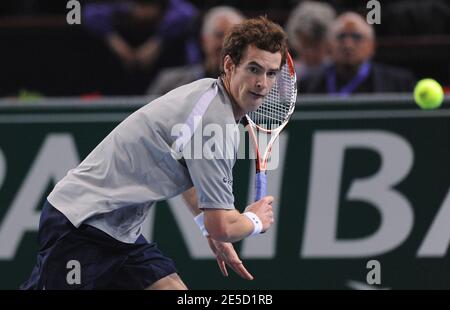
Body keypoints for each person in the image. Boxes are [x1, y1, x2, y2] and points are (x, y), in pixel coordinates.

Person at [21, 16, 287, 290]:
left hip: (118, 230)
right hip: (81, 225)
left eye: (271, 73)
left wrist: (209, 226)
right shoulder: (214, 123)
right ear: (230, 65)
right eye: (254, 69)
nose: (262, 83)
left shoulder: (206, 94)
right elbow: (223, 225)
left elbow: (187, 172)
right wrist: (255, 220)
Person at [302, 12, 415, 95]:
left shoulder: (400, 84)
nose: (348, 45)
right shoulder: (306, 85)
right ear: (329, 46)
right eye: (341, 37)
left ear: (372, 46)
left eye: (357, 37)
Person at [147, 6, 245, 95]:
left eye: (233, 38)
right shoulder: (169, 84)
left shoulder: (250, 88)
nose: (225, 44)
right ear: (204, 40)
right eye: (219, 35)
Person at [285, 1, 336, 82]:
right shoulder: (287, 74)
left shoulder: (337, 71)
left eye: (316, 46)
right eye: (305, 46)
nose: (310, 53)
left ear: (327, 43)